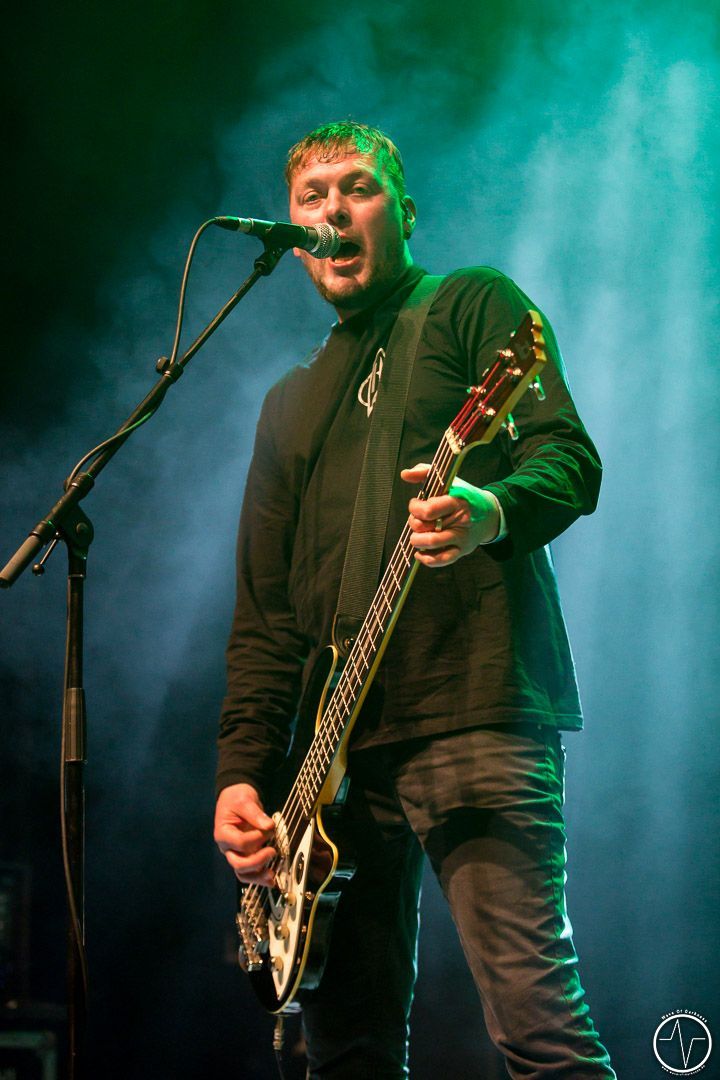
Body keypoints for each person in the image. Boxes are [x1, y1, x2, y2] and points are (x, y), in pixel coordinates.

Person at [214, 121, 615, 1078]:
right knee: (346, 1053)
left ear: (404, 212)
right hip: (332, 769)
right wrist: (241, 772)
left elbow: (569, 457)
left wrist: (490, 511)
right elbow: (266, 616)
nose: (332, 212)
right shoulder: (288, 401)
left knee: (539, 1030)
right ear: (294, 233)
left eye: (357, 189)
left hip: (472, 708)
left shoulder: (470, 305)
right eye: (311, 198)